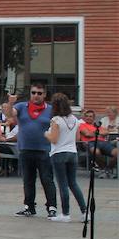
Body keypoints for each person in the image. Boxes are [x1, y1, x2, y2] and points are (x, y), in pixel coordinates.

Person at [13, 82, 58, 218]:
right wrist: (10, 103)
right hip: (25, 149)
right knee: (28, 179)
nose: (36, 96)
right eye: (33, 93)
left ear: (44, 94)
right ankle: (29, 206)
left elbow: (57, 125)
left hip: (44, 150)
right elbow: (11, 115)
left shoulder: (50, 110)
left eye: (39, 93)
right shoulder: (21, 106)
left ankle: (52, 207)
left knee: (47, 179)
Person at [46, 94, 85, 222]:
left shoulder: (55, 120)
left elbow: (54, 139)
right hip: (72, 153)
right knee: (73, 183)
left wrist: (46, 134)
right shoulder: (74, 119)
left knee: (62, 184)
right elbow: (77, 138)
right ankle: (84, 212)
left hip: (59, 154)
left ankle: (65, 214)